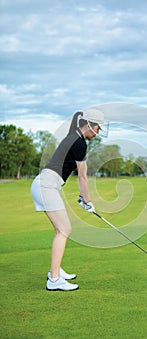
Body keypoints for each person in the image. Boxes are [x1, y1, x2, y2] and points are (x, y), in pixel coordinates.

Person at [31, 108, 108, 291]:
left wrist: (84, 199)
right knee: (65, 230)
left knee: (61, 229)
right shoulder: (79, 143)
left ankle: (55, 271)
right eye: (97, 128)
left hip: (45, 184)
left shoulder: (73, 137)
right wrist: (88, 201)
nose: (97, 132)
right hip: (46, 185)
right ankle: (54, 280)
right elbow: (83, 177)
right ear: (88, 125)